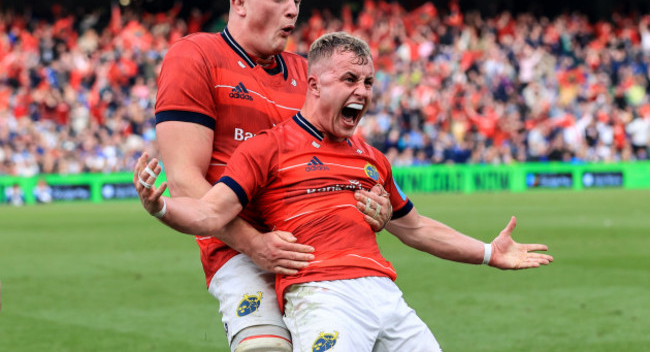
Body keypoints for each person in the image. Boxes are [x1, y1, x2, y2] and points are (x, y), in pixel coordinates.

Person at [136, 32, 554, 351]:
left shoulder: (371, 158)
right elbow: (210, 216)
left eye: (369, 82)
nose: (363, 91)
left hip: (386, 294)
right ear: (313, 85)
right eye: (350, 79)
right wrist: (160, 207)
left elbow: (417, 228)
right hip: (322, 294)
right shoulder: (267, 148)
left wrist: (488, 252)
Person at [153, 0, 392, 352]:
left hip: (318, 248)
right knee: (265, 348)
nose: (292, 10)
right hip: (238, 249)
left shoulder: (308, 73)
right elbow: (183, 181)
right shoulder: (195, 56)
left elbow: (340, 162)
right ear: (239, 3)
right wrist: (253, 244)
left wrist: (373, 203)